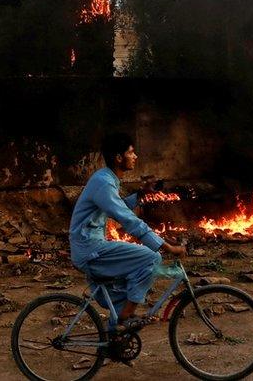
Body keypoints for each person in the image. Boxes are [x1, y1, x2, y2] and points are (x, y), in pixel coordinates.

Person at [69, 133, 186, 330]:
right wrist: (165, 246)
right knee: (151, 258)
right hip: (90, 249)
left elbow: (118, 207)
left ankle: (117, 333)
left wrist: (141, 194)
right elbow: (127, 219)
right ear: (118, 157)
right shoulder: (104, 183)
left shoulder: (106, 179)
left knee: (133, 273)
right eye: (131, 152)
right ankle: (124, 319)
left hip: (92, 246)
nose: (135, 156)